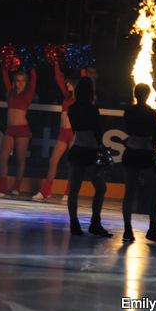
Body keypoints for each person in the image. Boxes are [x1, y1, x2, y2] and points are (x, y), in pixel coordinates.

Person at [121, 83, 156, 244]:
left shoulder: (129, 111)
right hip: (145, 155)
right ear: (147, 95)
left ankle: (127, 229)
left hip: (131, 153)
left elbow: (128, 130)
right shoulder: (150, 113)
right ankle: (153, 227)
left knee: (129, 193)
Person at [65, 77, 111, 236]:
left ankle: (74, 223)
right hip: (90, 151)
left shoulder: (72, 109)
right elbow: (97, 132)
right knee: (100, 188)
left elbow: (75, 129)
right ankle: (95, 222)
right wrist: (102, 148)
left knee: (74, 190)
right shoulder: (92, 109)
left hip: (77, 150)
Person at [0, 66, 37, 196]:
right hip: (10, 129)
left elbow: (34, 80)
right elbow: (5, 75)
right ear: (14, 82)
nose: (20, 83)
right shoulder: (11, 92)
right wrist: (5, 65)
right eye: (18, 80)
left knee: (20, 159)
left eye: (23, 81)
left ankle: (17, 187)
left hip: (22, 129)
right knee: (3, 157)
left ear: (26, 82)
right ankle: (2, 188)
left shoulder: (28, 94)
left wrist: (32, 70)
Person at [32, 62, 75, 201]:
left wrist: (82, 67)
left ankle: (69, 191)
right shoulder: (67, 96)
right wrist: (56, 62)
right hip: (63, 132)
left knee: (72, 164)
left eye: (69, 82)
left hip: (73, 134)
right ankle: (46, 190)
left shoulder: (81, 99)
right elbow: (58, 79)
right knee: (53, 160)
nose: (67, 84)